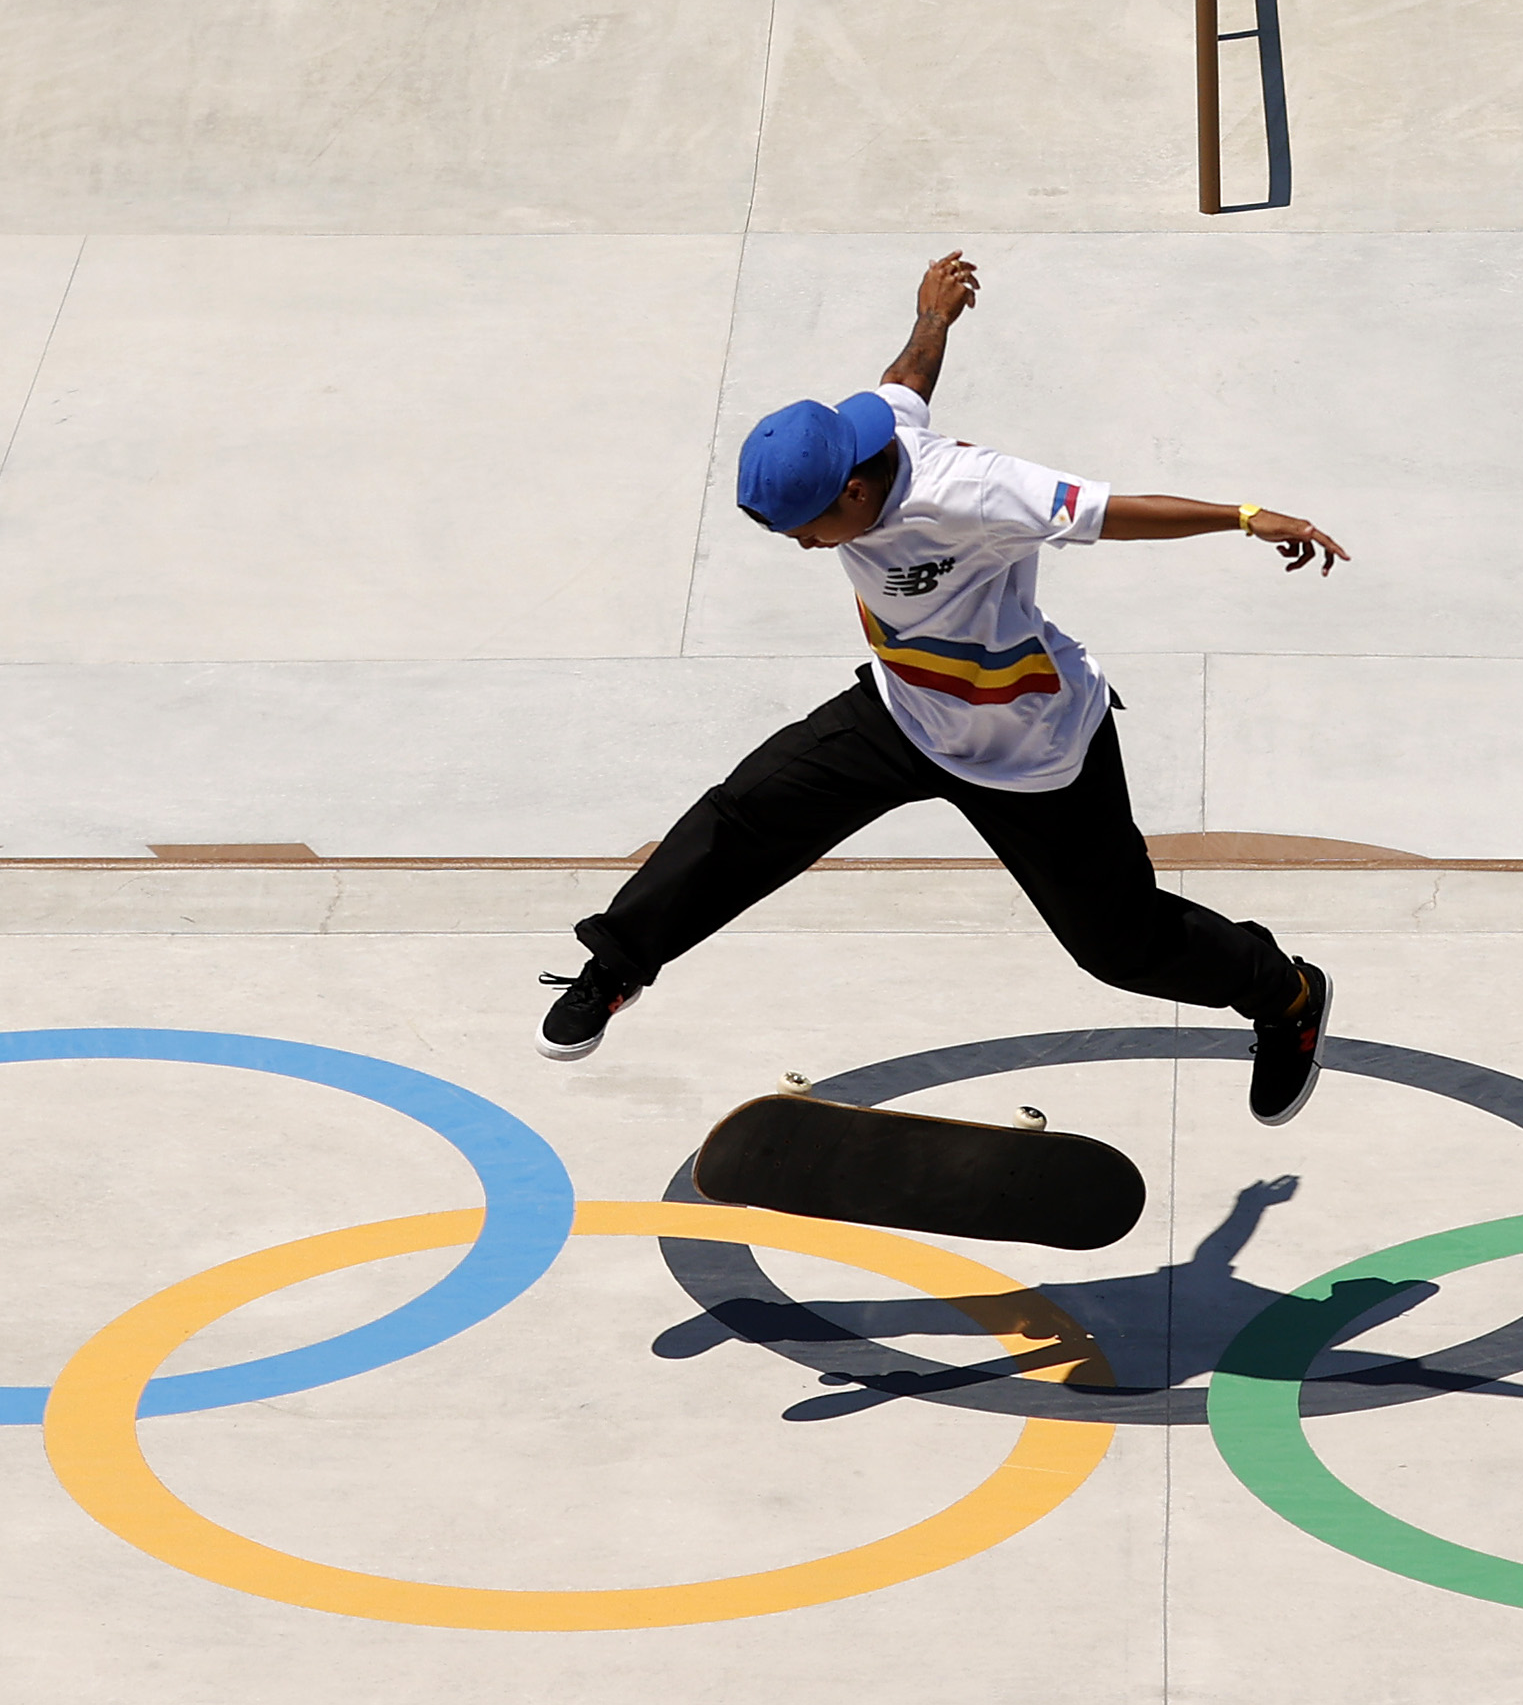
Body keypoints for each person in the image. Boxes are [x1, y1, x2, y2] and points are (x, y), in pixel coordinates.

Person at [539, 251, 1351, 1123]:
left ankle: (1287, 994)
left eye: (806, 532)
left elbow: (1112, 511)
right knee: (746, 815)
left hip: (1032, 747)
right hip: (905, 712)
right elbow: (905, 377)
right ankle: (615, 964)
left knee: (1120, 945)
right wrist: (934, 314)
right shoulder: (872, 426)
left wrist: (1240, 516)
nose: (807, 549)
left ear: (852, 490)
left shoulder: (977, 492)